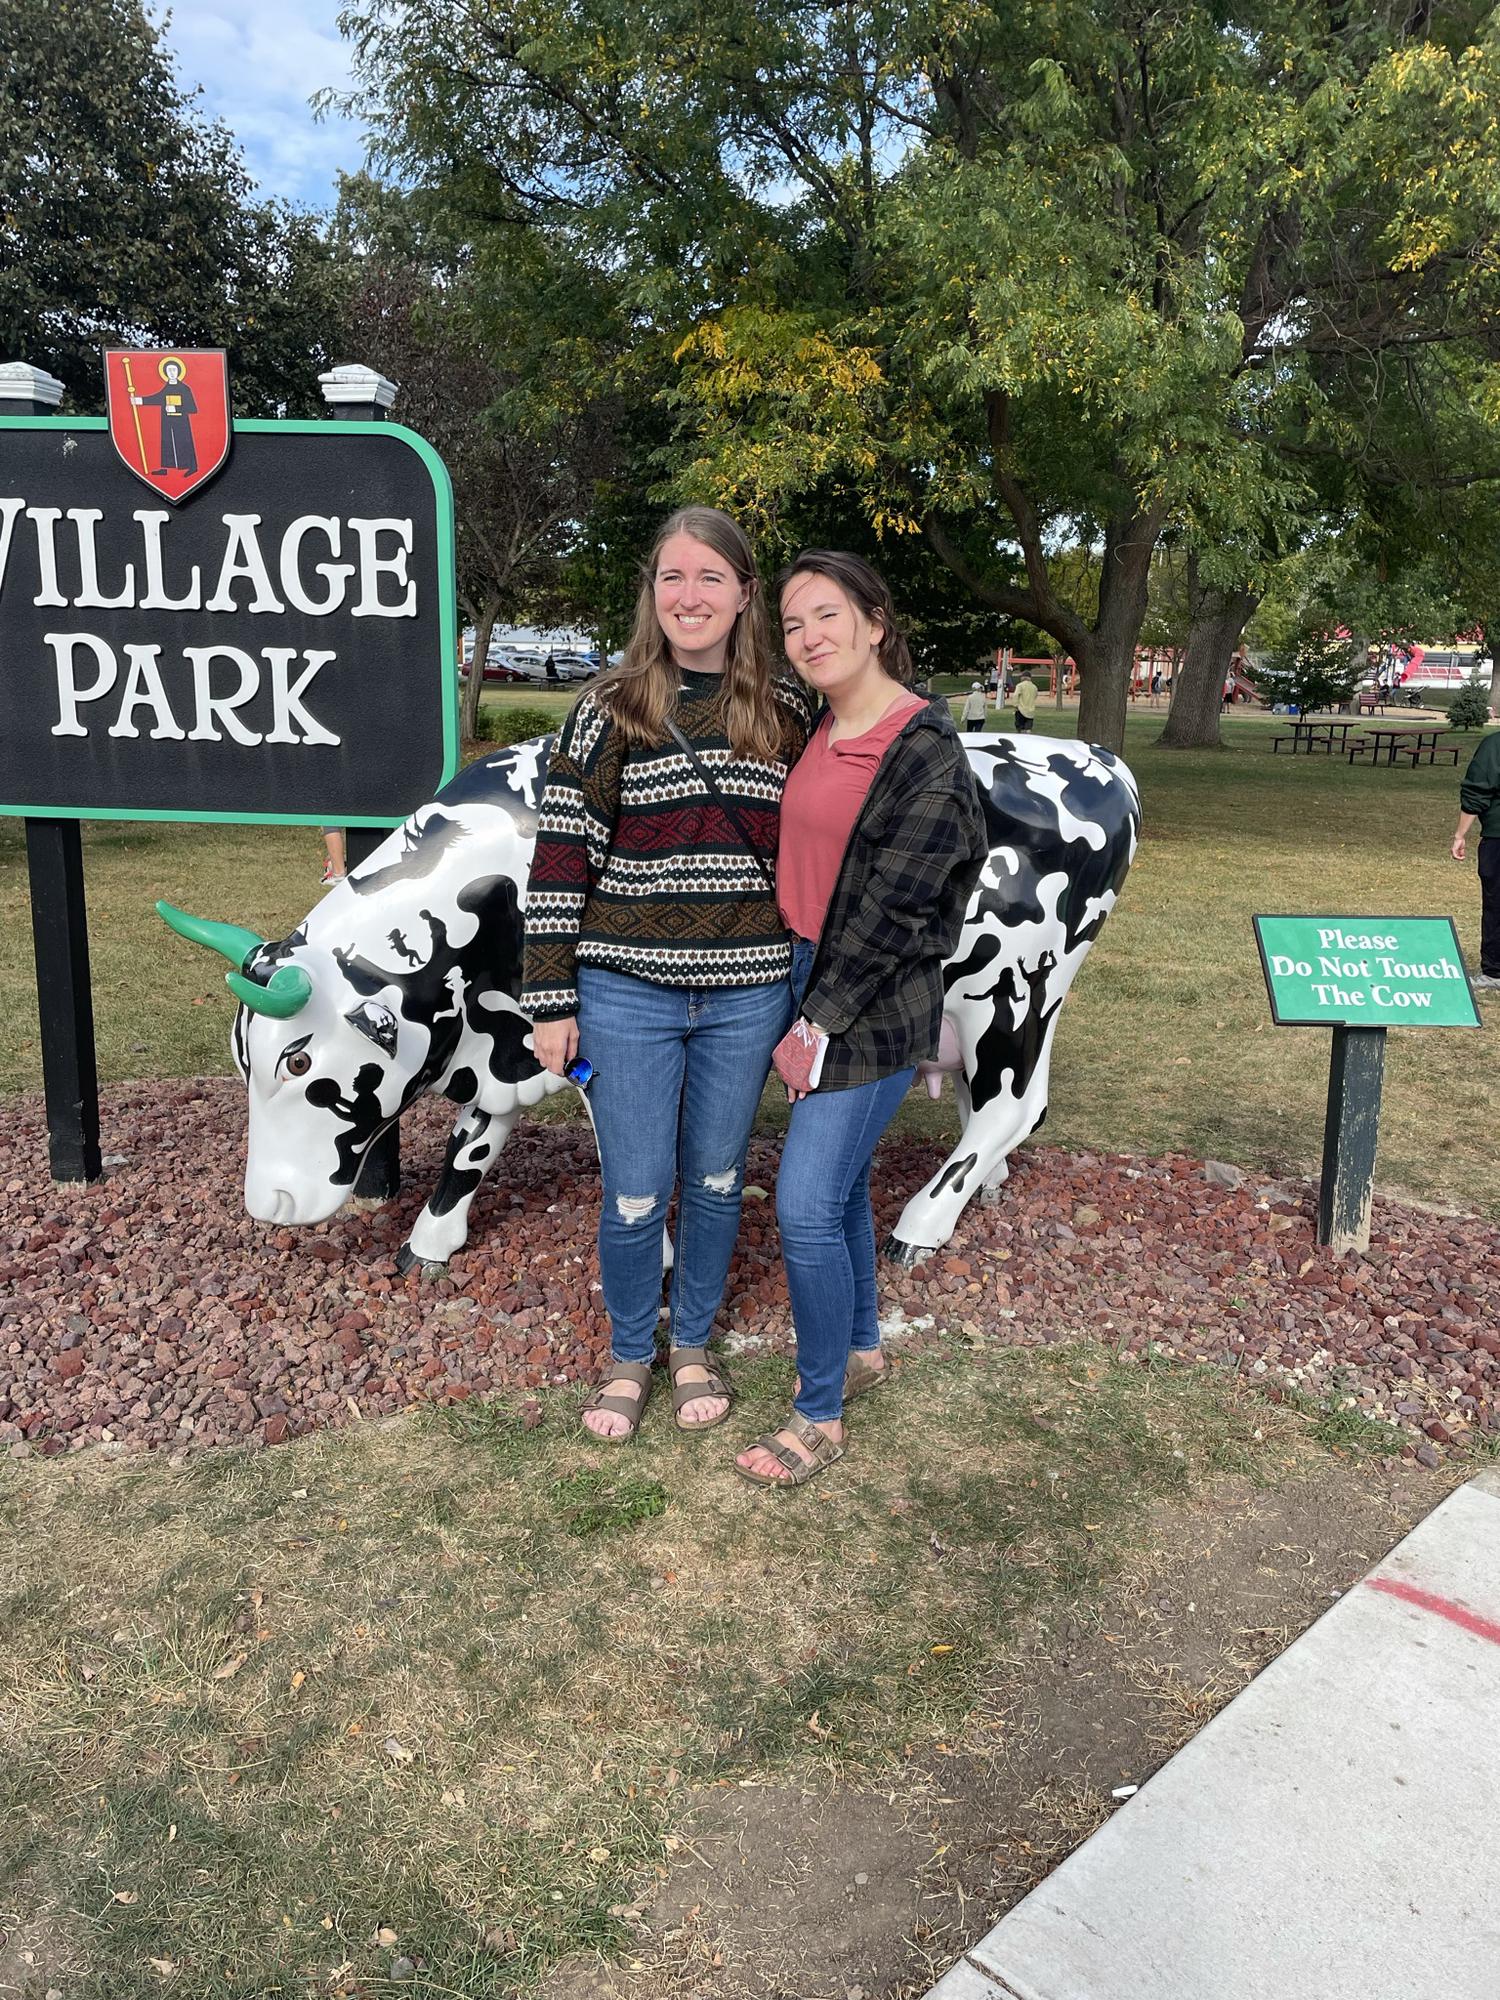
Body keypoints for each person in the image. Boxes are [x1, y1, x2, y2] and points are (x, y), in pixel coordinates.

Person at [522, 507, 815, 1440]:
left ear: (743, 596)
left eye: (710, 579)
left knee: (721, 1179)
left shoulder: (785, 709)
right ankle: (627, 1354)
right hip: (627, 992)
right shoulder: (610, 708)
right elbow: (561, 858)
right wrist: (549, 999)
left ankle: (692, 1342)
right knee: (638, 1186)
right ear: (653, 594)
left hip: (747, 989)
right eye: (672, 578)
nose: (690, 597)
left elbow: (813, 848)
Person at [735, 551, 988, 1486]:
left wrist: (819, 1019)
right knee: (834, 1188)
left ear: (876, 622)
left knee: (802, 1205)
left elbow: (899, 909)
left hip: (873, 997)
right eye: (794, 623)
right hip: (806, 971)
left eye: (827, 615)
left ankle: (819, 1412)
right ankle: (865, 1346)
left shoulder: (923, 750)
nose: (809, 637)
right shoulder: (814, 726)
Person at [1453, 726, 1500, 990]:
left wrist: (1460, 834)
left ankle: (1494, 971)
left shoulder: (1494, 746)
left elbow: (1477, 790)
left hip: (1497, 838)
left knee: (1496, 903)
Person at [130, 357, 198, 474]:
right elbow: (157, 398)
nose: (172, 373)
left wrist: (175, 408)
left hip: (181, 422)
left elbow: (192, 408)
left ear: (178, 372)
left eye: (174, 370)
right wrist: (139, 400)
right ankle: (166, 468)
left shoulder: (185, 389)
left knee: (184, 442)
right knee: (167, 442)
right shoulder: (167, 388)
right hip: (167, 420)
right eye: (169, 370)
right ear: (165, 372)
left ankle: (191, 467)